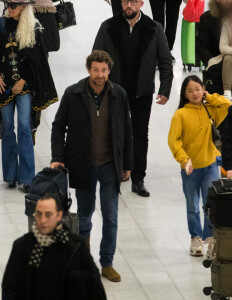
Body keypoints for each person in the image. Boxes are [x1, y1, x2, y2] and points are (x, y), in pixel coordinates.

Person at [51, 50, 133, 282]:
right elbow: (58, 127)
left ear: (109, 70)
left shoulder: (119, 94)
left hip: (110, 166)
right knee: (85, 216)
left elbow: (127, 131)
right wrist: (58, 156)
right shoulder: (73, 93)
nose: (100, 74)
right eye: (95, 70)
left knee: (111, 217)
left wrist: (127, 163)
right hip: (82, 164)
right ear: (88, 70)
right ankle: (84, 262)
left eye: (104, 70)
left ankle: (107, 263)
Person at [93, 0, 173, 197]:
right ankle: (117, 172)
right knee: (115, 132)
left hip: (142, 91)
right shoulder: (108, 26)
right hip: (114, 91)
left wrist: (165, 87)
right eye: (126, 1)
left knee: (139, 133)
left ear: (141, 3)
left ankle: (138, 178)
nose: (129, 5)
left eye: (133, 1)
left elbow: (164, 59)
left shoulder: (154, 28)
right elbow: (96, 57)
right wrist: (97, 86)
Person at [168, 75, 231, 256]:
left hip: (211, 165)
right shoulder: (180, 114)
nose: (194, 93)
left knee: (210, 205)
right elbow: (174, 141)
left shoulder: (210, 108)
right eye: (190, 90)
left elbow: (227, 106)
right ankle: (195, 237)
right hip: (190, 168)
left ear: (203, 89)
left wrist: (208, 97)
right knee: (193, 205)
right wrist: (183, 159)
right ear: (185, 94)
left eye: (198, 89)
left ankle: (211, 239)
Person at [2, 193, 107, 300]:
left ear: (59, 216)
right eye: (39, 214)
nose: (43, 220)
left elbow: (95, 285)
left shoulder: (75, 245)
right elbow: (9, 286)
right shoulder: (22, 246)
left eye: (48, 215)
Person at [0, 0, 58, 193]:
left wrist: (22, 81)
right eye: (8, 4)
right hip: (3, 86)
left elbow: (38, 61)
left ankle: (26, 177)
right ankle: (10, 175)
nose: (10, 8)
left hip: (24, 86)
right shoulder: (1, 25)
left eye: (14, 5)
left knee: (24, 127)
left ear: (24, 6)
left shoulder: (32, 27)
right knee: (7, 127)